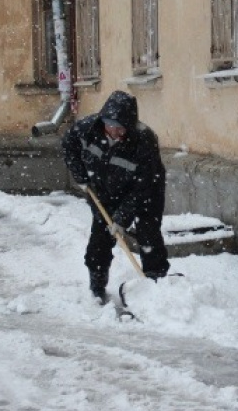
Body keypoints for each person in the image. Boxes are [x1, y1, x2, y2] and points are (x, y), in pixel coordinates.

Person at [61, 90, 170, 303]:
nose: (115, 131)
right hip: (103, 190)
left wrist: (122, 218)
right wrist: (79, 173)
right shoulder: (87, 128)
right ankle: (97, 285)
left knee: (148, 233)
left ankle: (156, 283)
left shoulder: (144, 140)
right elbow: (68, 145)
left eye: (121, 126)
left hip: (147, 190)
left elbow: (143, 186)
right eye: (110, 124)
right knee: (100, 238)